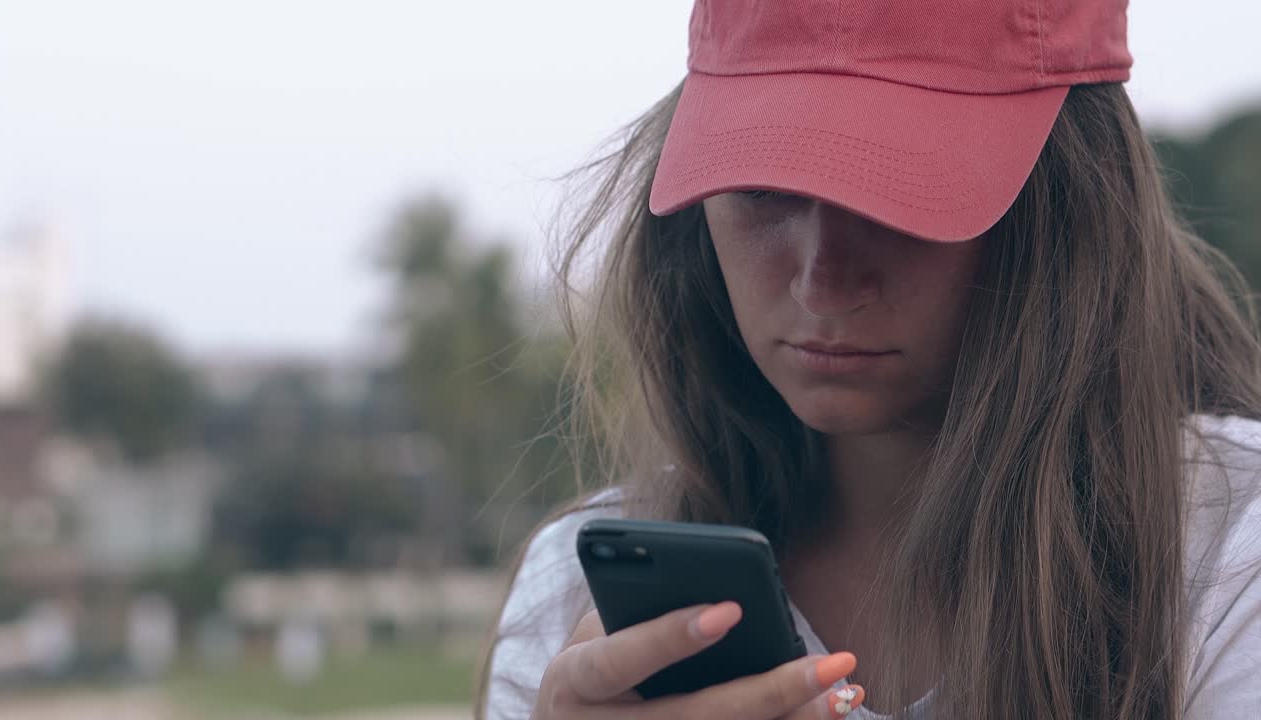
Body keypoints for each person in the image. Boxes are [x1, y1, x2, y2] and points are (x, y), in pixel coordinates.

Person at [478, 1, 1261, 718]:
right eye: (761, 186)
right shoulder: (575, 603)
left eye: (902, 192)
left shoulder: (1232, 563)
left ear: (1067, 204)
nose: (823, 283)